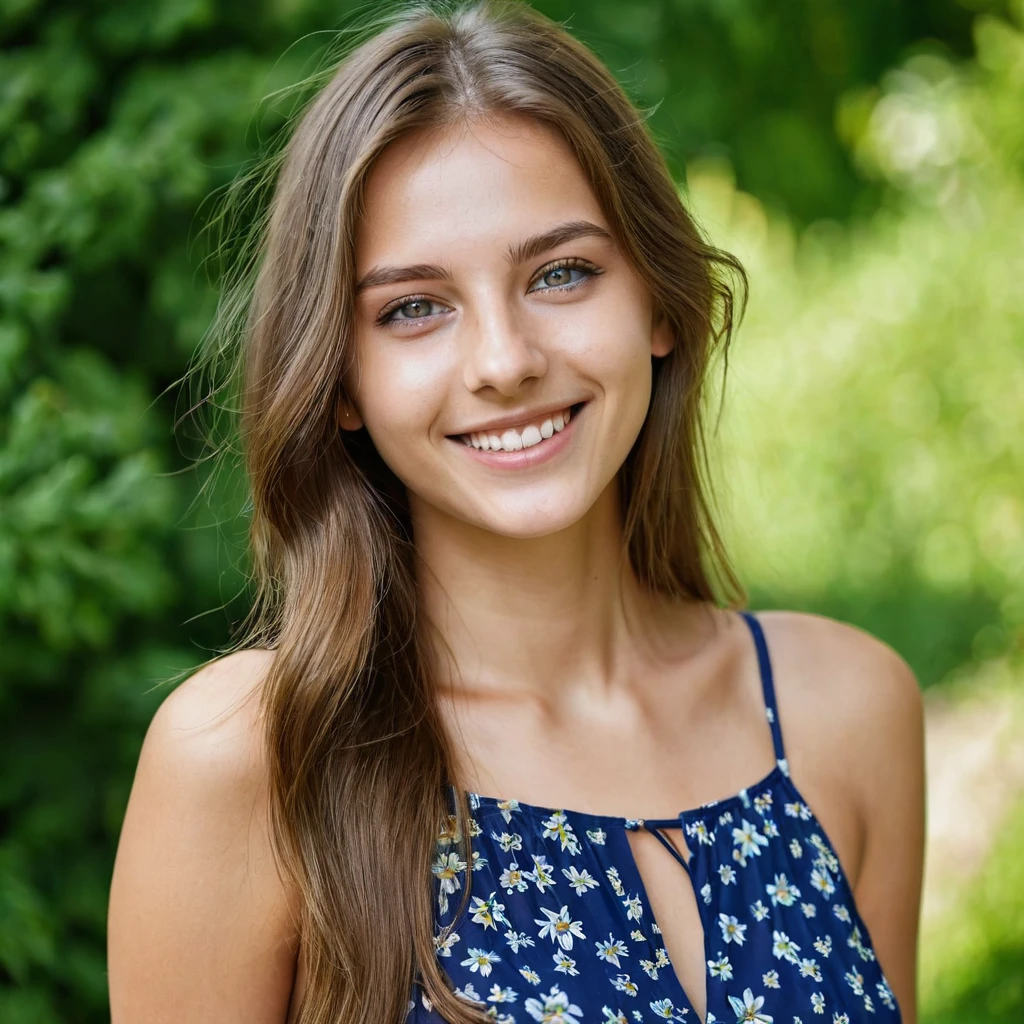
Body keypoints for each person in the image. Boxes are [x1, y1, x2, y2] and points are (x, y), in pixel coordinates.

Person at [106, 2, 926, 1022]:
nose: (505, 361)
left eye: (562, 273)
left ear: (658, 304)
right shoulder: (255, 761)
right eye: (414, 307)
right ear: (341, 380)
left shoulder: (846, 711)